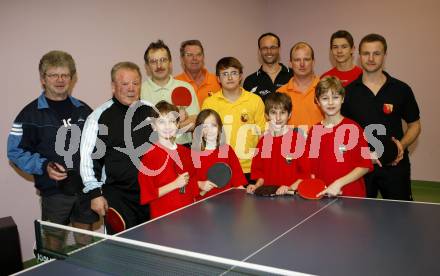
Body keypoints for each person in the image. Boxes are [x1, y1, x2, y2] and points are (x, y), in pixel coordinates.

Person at [7, 50, 97, 247]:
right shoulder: (29, 115)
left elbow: (98, 147)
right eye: (53, 75)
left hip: (84, 191)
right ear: (43, 79)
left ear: (72, 78)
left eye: (64, 74)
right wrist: (44, 166)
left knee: (86, 242)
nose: (59, 80)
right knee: (53, 246)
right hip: (53, 194)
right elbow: (14, 152)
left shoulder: (84, 110)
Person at [342, 34, 421, 200]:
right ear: (359, 56)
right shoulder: (348, 92)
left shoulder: (401, 89)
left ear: (385, 55)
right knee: (360, 221)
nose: (371, 58)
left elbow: (415, 125)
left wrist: (401, 145)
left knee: (400, 218)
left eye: (376, 53)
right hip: (360, 169)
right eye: (366, 53)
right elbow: (342, 131)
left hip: (395, 166)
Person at [80, 61, 154, 233]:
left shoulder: (151, 111)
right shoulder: (98, 117)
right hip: (119, 197)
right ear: (113, 86)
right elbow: (89, 160)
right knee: (123, 251)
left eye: (135, 83)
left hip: (151, 193)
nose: (131, 88)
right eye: (125, 84)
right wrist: (95, 194)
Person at [303, 76, 373, 197]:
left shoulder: (354, 128)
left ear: (342, 99)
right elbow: (312, 168)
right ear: (318, 101)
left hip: (352, 198)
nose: (330, 102)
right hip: (324, 196)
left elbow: (365, 165)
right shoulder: (314, 131)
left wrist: (338, 183)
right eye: (325, 98)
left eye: (335, 97)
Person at [202, 57, 266, 183]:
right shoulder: (209, 103)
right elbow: (204, 138)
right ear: (218, 79)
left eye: (234, 73)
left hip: (250, 168)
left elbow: (262, 135)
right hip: (222, 167)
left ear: (241, 76)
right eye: (225, 74)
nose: (230, 78)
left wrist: (262, 165)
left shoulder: (255, 100)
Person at [138, 101, 198, 219]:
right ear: (153, 126)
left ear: (177, 124)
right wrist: (175, 184)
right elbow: (148, 193)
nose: (167, 126)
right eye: (161, 122)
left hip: (188, 215)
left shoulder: (186, 152)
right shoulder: (149, 157)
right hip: (163, 218)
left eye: (171, 121)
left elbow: (193, 183)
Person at [141, 39, 199, 147]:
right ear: (147, 66)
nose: (159, 65)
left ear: (170, 63)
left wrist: (163, 127)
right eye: (153, 61)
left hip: (183, 147)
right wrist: (179, 124)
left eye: (163, 60)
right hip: (152, 149)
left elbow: (195, 121)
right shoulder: (140, 91)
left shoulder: (186, 87)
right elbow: (141, 127)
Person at [247, 93, 306, 195]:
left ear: (289, 115)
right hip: (268, 199)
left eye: (282, 112)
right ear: (267, 115)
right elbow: (261, 174)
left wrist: (290, 188)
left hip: (291, 198)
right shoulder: (262, 142)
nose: (278, 118)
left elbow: (306, 175)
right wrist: (256, 186)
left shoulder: (298, 141)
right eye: (273, 112)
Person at [192, 109, 247, 200]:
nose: (210, 130)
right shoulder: (192, 156)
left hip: (229, 203)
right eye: (205, 126)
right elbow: (187, 186)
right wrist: (199, 184)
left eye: (213, 125)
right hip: (204, 207)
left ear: (219, 128)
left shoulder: (227, 150)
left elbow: (238, 183)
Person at [277, 42, 323, 132]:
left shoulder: (325, 90)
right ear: (290, 63)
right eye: (297, 60)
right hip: (290, 145)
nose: (302, 64)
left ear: (313, 62)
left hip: (321, 144)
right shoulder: (280, 93)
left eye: (306, 59)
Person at [243, 32, 293, 101]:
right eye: (264, 48)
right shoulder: (250, 81)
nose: (269, 51)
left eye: (273, 47)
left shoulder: (293, 75)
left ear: (279, 49)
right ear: (259, 51)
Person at [175, 39, 221, 107]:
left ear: (203, 57)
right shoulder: (175, 83)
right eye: (189, 55)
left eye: (198, 54)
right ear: (182, 59)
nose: (194, 58)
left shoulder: (218, 81)